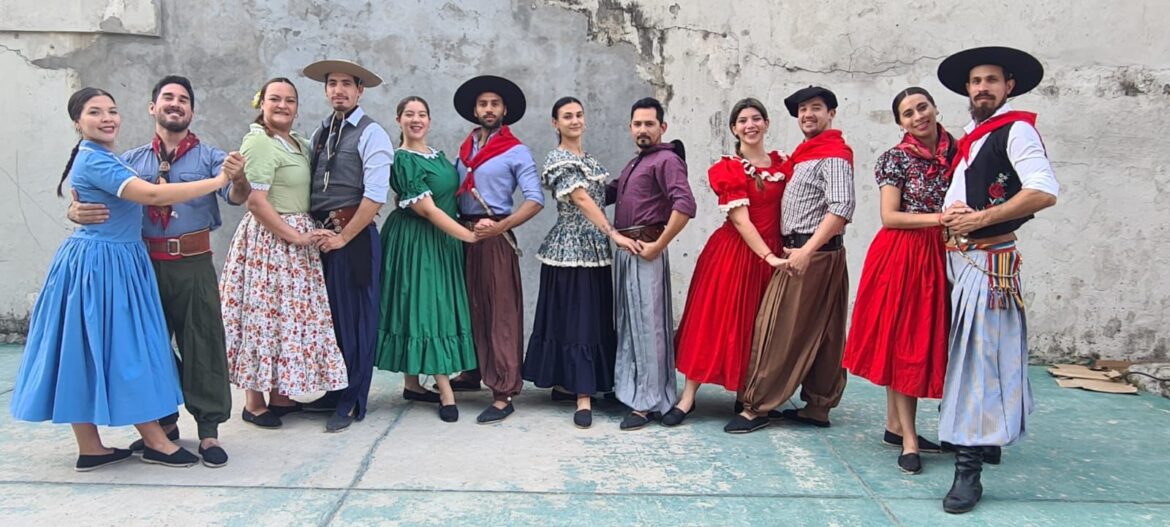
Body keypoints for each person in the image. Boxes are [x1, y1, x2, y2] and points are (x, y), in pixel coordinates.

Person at [11, 87, 228, 470]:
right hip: (105, 265)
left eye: (112, 110)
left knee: (92, 350)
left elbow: (103, 197)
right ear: (78, 122)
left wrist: (76, 211)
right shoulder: (111, 160)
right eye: (95, 112)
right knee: (127, 351)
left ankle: (93, 447)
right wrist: (215, 181)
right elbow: (152, 195)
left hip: (116, 262)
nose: (107, 118)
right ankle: (157, 440)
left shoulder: (104, 157)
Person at [67, 75, 248, 468]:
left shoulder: (211, 158)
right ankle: (163, 424)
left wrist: (237, 177)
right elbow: (95, 194)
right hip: (141, 267)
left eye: (184, 99)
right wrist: (73, 212)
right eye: (168, 97)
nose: (175, 104)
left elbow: (235, 196)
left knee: (203, 344)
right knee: (145, 347)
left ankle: (209, 432)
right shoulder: (128, 160)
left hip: (192, 264)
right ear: (153, 108)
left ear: (192, 111)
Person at [935, 46, 1058, 514]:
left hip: (989, 260)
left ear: (1009, 85)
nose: (981, 88)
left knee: (979, 362)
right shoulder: (974, 136)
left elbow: (1043, 192)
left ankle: (968, 471)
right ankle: (985, 441)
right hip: (963, 261)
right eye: (975, 82)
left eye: (991, 80)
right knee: (976, 355)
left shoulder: (1017, 129)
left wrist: (980, 218)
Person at [219, 78, 349, 430]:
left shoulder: (297, 143)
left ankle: (279, 393)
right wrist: (295, 236)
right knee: (261, 317)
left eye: (289, 100)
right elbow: (256, 201)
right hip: (269, 240)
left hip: (294, 241)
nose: (282, 105)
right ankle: (253, 401)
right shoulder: (259, 142)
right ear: (261, 103)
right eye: (274, 99)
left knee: (284, 318)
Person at [727, 86, 855, 434]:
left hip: (809, 253)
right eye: (802, 110)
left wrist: (806, 251)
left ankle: (757, 406)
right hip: (813, 252)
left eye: (816, 108)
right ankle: (817, 407)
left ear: (832, 113)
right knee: (825, 332)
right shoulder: (805, 153)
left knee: (778, 328)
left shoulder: (834, 154)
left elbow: (841, 208)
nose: (808, 115)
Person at [842, 87, 955, 475]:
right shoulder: (896, 158)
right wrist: (940, 219)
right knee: (905, 342)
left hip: (943, 256)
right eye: (908, 113)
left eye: (922, 107)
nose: (917, 116)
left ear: (936, 109)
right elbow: (890, 216)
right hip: (903, 255)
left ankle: (895, 426)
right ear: (900, 123)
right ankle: (908, 438)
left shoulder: (959, 153)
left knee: (923, 342)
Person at [666, 97, 788, 427]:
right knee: (712, 321)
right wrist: (769, 255)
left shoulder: (783, 166)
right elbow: (741, 220)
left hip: (771, 254)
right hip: (734, 254)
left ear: (766, 123)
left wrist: (782, 252)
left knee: (756, 326)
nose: (750, 125)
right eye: (743, 120)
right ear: (734, 128)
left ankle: (745, 396)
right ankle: (688, 397)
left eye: (756, 118)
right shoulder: (728, 169)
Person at [522, 97, 639, 429]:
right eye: (566, 116)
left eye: (578, 115)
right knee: (578, 321)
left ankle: (568, 383)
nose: (574, 120)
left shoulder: (589, 160)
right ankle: (582, 396)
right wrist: (611, 231)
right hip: (569, 251)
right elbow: (580, 197)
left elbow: (606, 193)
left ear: (584, 120)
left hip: (595, 251)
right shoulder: (558, 159)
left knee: (593, 318)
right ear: (555, 123)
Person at [298, 60, 395, 433]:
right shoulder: (320, 133)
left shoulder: (373, 134)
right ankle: (332, 390)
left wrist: (342, 237)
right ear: (325, 91)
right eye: (332, 84)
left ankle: (353, 399)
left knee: (357, 322)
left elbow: (374, 197)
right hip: (322, 239)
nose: (338, 90)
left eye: (346, 85)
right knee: (330, 321)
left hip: (353, 239)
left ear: (360, 91)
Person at [375, 96, 479, 423]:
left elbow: (450, 199)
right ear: (399, 119)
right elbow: (429, 210)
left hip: (442, 241)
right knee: (425, 309)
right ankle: (445, 390)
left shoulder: (437, 156)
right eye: (409, 114)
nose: (416, 119)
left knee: (428, 305)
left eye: (422, 114)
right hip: (415, 241)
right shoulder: (402, 160)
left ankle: (412, 384)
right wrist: (470, 236)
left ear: (430, 120)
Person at [448, 75, 545, 424]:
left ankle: (504, 389)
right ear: (474, 110)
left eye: (494, 104)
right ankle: (472, 371)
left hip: (495, 239)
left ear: (504, 110)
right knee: (468, 306)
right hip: (464, 236)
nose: (488, 109)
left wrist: (501, 227)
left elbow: (535, 200)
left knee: (499, 311)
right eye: (482, 104)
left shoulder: (517, 150)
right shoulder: (464, 150)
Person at [608, 97, 697, 431]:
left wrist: (658, 245)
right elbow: (608, 193)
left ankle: (648, 403)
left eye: (649, 123)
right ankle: (633, 393)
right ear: (630, 127)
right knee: (630, 326)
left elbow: (685, 205)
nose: (642, 129)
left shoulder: (667, 159)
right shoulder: (636, 163)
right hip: (625, 251)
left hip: (646, 248)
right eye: (637, 124)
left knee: (648, 327)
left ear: (663, 127)